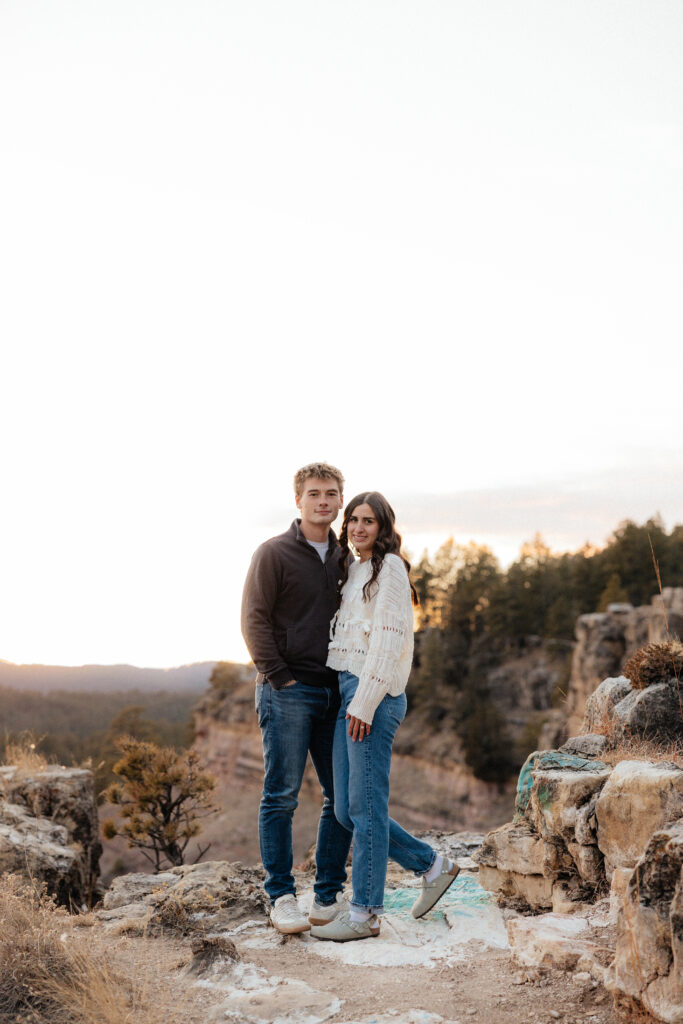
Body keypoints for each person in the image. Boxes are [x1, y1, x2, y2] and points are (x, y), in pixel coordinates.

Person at [311, 492, 460, 942]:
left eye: (368, 521)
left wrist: (365, 701)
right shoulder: (355, 568)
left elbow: (389, 639)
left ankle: (365, 914)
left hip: (371, 695)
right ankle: (431, 865)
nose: (358, 528)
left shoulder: (390, 567)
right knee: (346, 809)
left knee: (366, 806)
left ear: (383, 527)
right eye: (353, 520)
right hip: (348, 692)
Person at [241, 462, 353, 934]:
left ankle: (326, 897)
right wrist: (279, 677)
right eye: (314, 493)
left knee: (341, 797)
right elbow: (254, 618)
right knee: (281, 796)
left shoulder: (348, 557)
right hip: (287, 691)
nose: (323, 501)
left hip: (337, 693)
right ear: (298, 500)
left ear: (340, 500)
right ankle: (281, 897)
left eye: (331, 493)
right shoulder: (274, 553)